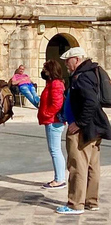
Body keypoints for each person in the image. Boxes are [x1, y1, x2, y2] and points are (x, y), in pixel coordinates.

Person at [56, 47, 111, 215]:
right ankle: (91, 201)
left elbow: (91, 102)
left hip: (83, 130)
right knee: (92, 165)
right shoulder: (91, 71)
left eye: (68, 60)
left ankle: (75, 204)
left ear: (77, 59)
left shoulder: (82, 76)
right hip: (95, 127)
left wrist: (79, 123)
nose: (66, 64)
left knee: (77, 165)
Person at [37, 59, 66, 189]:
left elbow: (57, 104)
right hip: (51, 120)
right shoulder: (51, 83)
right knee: (54, 150)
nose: (44, 72)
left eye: (45, 69)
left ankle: (59, 179)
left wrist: (47, 114)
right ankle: (59, 177)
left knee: (55, 150)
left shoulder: (55, 84)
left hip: (53, 121)